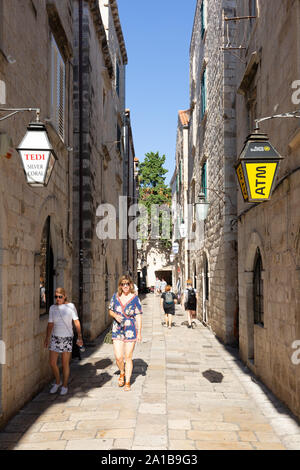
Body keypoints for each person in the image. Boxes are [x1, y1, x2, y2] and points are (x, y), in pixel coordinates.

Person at [44, 287, 83, 395]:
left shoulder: (70, 307)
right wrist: (47, 337)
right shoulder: (52, 308)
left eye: (60, 297)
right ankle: (58, 382)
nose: (58, 299)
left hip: (66, 338)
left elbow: (76, 322)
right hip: (55, 338)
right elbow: (50, 324)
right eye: (56, 297)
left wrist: (79, 336)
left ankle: (65, 385)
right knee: (52, 363)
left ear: (64, 296)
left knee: (65, 363)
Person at [109, 275, 143, 391]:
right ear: (120, 285)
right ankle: (122, 372)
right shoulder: (116, 296)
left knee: (128, 357)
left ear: (130, 285)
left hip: (130, 329)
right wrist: (115, 316)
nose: (125, 286)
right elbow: (110, 310)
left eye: (127, 284)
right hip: (117, 329)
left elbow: (138, 315)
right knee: (118, 357)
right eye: (123, 284)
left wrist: (139, 332)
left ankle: (127, 381)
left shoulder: (135, 298)